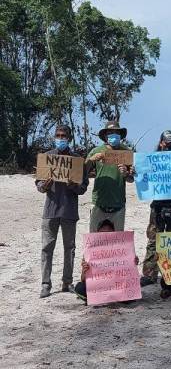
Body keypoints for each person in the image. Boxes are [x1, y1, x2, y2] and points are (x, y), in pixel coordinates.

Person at [37, 125, 89, 298]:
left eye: (63, 135)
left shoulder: (77, 161)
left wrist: (73, 185)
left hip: (69, 211)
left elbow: (83, 188)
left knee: (70, 248)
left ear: (69, 138)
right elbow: (39, 185)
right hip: (50, 210)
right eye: (58, 135)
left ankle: (67, 282)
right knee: (46, 248)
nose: (60, 138)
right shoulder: (47, 158)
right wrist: (44, 186)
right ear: (54, 137)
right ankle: (45, 284)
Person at [140, 130, 171, 287]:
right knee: (154, 239)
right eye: (167, 144)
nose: (170, 147)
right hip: (158, 206)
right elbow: (143, 178)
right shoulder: (151, 160)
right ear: (161, 143)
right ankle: (149, 274)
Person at [74, 220, 139, 304]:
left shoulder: (123, 248)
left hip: (118, 287)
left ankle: (114, 298)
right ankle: (101, 298)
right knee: (79, 288)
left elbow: (130, 274)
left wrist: (133, 263)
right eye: (102, 233)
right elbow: (83, 279)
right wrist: (84, 270)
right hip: (100, 288)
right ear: (97, 234)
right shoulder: (90, 251)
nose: (105, 235)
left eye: (109, 232)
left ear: (114, 233)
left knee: (134, 290)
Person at [86, 121, 134, 232]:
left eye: (116, 132)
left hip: (119, 205)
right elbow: (83, 172)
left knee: (116, 243)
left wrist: (126, 174)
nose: (113, 135)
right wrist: (90, 160)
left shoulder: (126, 152)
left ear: (120, 135)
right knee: (95, 240)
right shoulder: (96, 151)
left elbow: (131, 179)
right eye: (110, 132)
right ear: (105, 135)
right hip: (98, 203)